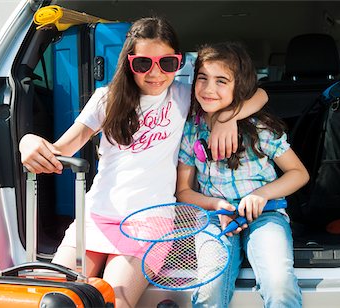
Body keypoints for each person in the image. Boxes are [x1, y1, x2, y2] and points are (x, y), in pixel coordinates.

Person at [19, 18, 269, 308]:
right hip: (96, 217)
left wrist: (229, 117)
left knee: (114, 302)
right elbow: (59, 150)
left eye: (167, 63)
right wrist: (27, 142)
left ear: (178, 63)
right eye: (143, 64)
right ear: (129, 63)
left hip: (150, 222)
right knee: (52, 300)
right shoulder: (106, 99)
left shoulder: (185, 95)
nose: (155, 73)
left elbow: (261, 94)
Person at [176, 41, 309, 307]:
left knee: (279, 283)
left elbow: (298, 173)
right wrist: (216, 205)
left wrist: (261, 194)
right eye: (202, 78)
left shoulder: (258, 127)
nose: (209, 89)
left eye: (221, 81)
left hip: (266, 213)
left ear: (240, 87)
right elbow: (183, 192)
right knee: (209, 288)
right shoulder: (191, 129)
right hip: (215, 217)